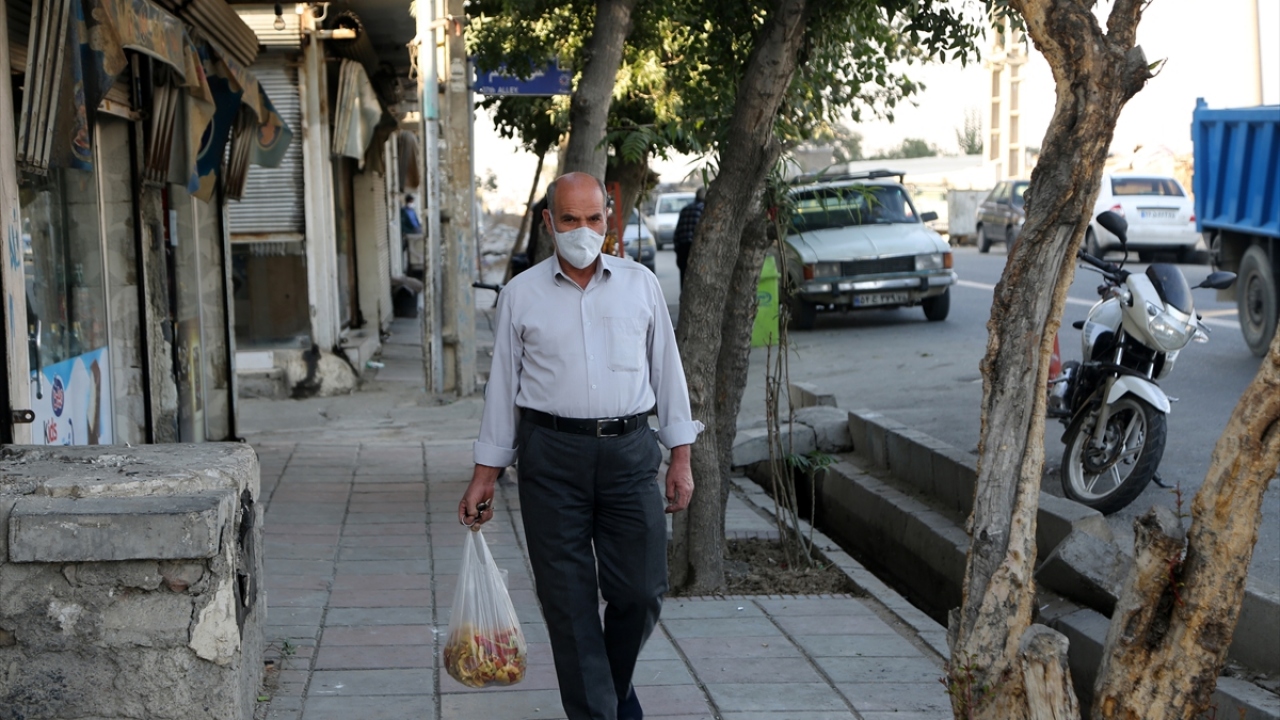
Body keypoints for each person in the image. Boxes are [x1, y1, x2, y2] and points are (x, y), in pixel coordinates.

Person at [460, 172, 701, 720]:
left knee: (641, 591)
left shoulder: (640, 284)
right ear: (549, 224)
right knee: (568, 604)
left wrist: (680, 456)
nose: (583, 230)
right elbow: (502, 389)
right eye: (570, 219)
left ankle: (610, 694)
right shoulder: (521, 295)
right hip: (551, 457)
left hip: (630, 451)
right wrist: (485, 474)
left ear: (608, 222)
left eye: (594, 218)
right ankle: (602, 711)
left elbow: (668, 373)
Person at [671, 187, 705, 288]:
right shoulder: (704, 210)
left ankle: (684, 299)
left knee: (684, 277)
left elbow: (677, 232)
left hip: (682, 247)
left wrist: (677, 250)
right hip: (695, 247)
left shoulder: (685, 209)